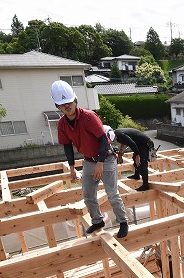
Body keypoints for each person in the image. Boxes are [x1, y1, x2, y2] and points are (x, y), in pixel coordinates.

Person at [51, 80, 128, 238]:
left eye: (69, 102)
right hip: (88, 160)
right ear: (58, 107)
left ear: (74, 100)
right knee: (88, 194)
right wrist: (72, 168)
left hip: (105, 158)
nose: (67, 106)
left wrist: (100, 163)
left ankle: (123, 222)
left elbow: (103, 141)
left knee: (112, 193)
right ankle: (97, 220)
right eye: (62, 104)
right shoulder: (62, 124)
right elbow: (67, 146)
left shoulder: (88, 117)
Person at [113, 127, 152, 192]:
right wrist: (121, 151)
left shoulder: (120, 134)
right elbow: (124, 142)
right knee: (134, 158)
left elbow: (131, 143)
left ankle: (145, 185)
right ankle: (137, 175)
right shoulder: (117, 134)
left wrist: (138, 155)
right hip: (138, 144)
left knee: (142, 163)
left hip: (144, 143)